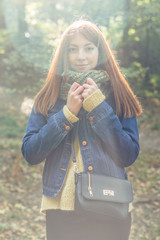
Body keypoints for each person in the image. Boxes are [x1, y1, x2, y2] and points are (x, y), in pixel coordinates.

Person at [21, 19, 142, 240]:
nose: (81, 56)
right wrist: (67, 114)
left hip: (110, 204)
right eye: (73, 49)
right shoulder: (49, 95)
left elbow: (128, 154)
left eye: (89, 48)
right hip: (61, 208)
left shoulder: (119, 94)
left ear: (100, 50)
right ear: (64, 54)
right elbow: (30, 152)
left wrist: (98, 106)